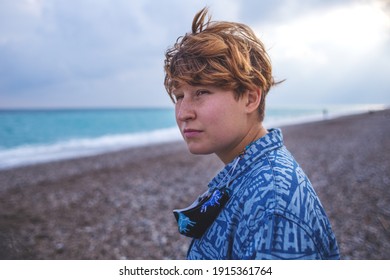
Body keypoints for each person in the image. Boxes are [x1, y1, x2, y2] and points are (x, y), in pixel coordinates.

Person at [163, 7, 340, 260]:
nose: (183, 113)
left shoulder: (272, 203)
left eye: (201, 92)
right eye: (180, 96)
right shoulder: (246, 172)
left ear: (250, 98)